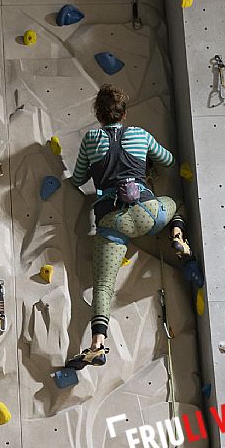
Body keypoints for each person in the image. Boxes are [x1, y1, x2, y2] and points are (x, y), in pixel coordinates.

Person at [65, 84, 191, 370]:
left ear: (98, 114)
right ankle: (177, 234)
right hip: (149, 212)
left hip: (113, 222)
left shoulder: (90, 139)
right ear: (124, 113)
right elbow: (168, 160)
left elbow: (78, 179)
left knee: (104, 286)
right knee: (177, 204)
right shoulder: (140, 135)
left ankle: (97, 344)